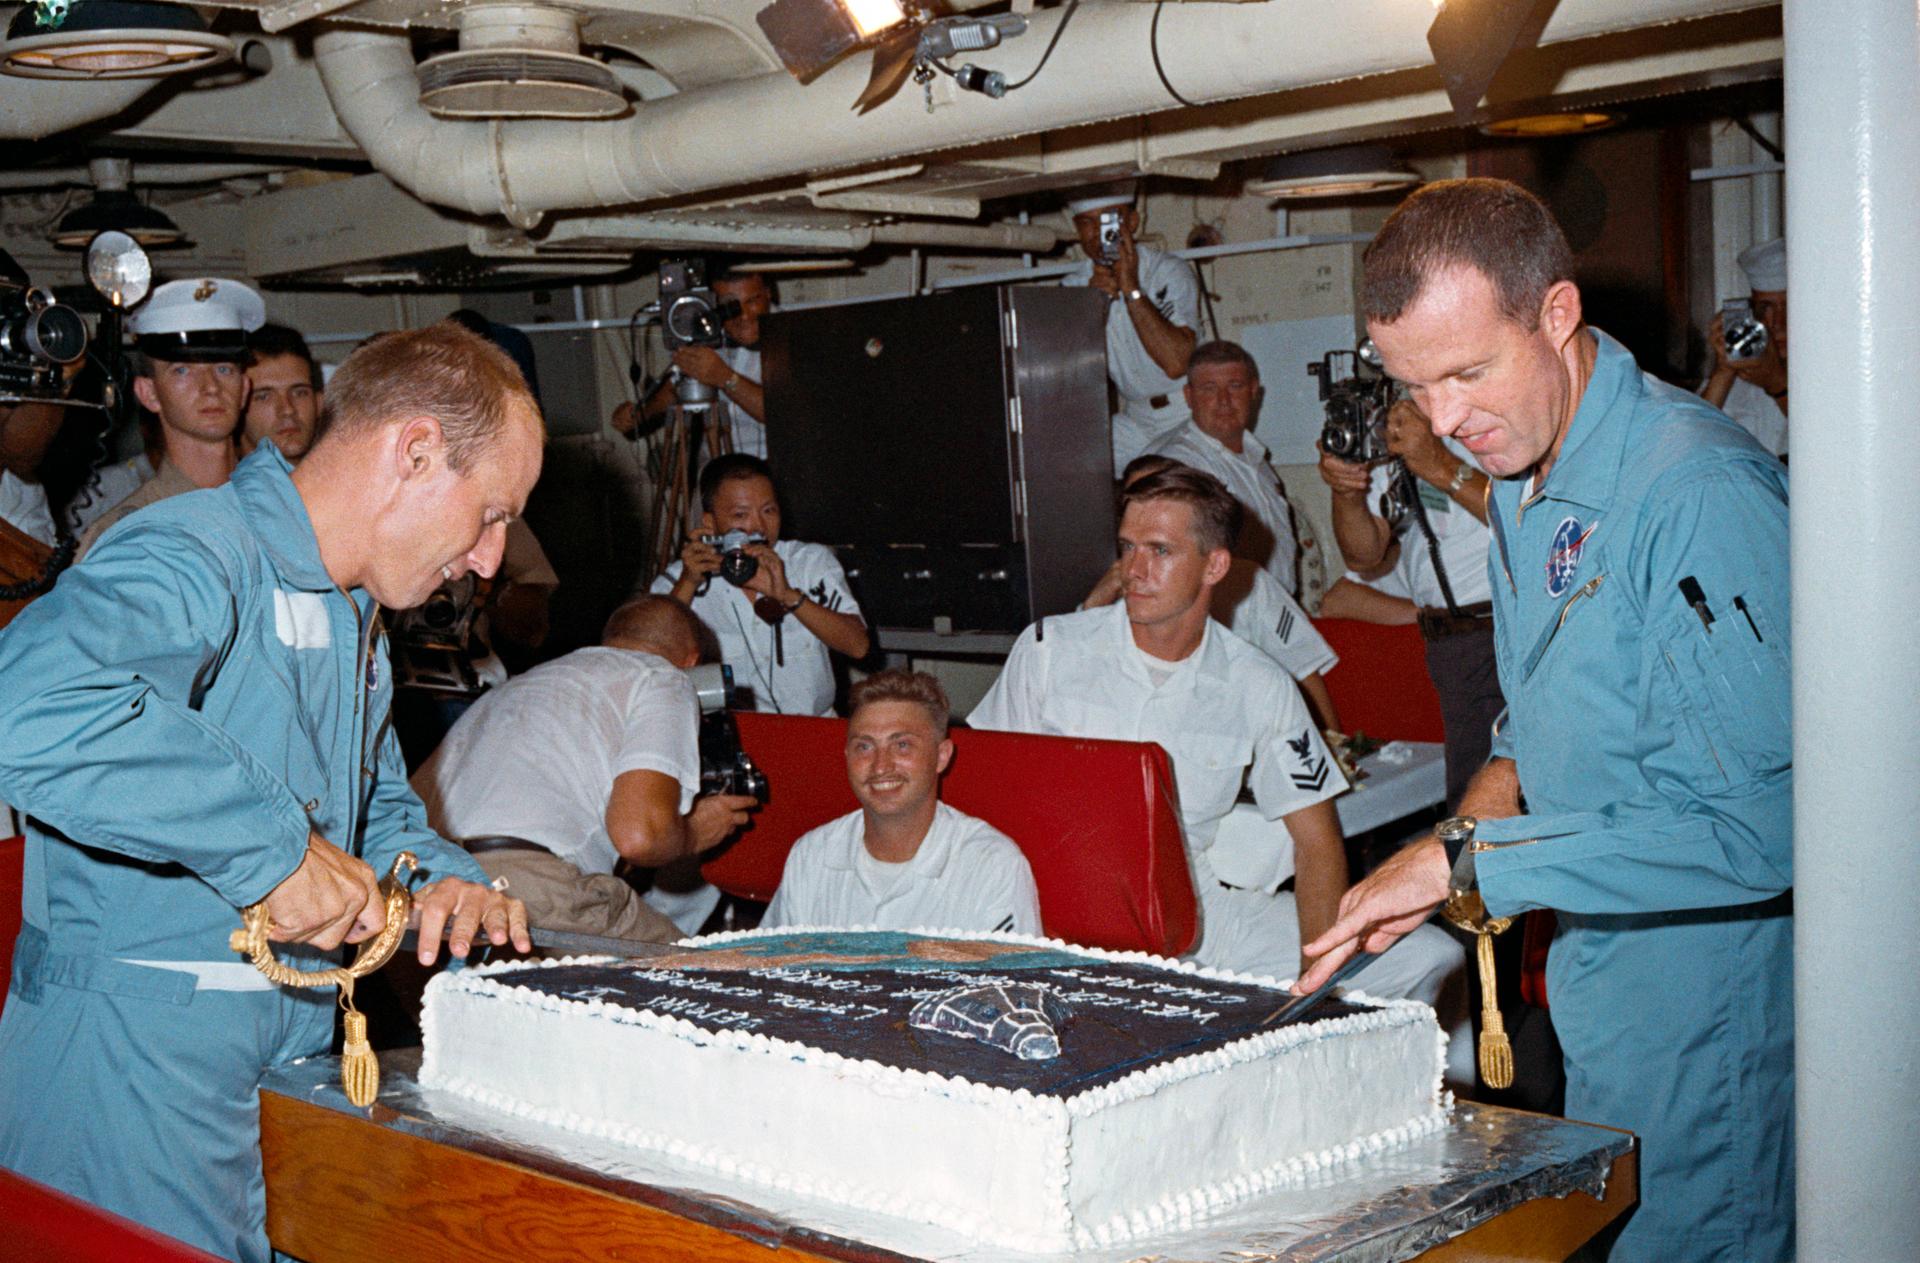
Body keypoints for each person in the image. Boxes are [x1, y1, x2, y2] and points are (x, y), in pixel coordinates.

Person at [1298, 178, 1792, 1262]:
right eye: (1414, 387)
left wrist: (1474, 871)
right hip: (1602, 978)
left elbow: (1776, 831)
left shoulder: (1694, 492)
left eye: (1470, 371)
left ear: (1557, 314)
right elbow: (1543, 707)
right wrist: (1467, 827)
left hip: (1711, 1003)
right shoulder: (1527, 477)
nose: (1444, 422)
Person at [0, 320, 539, 1261]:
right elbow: (29, 699)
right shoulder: (195, 550)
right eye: (491, 512)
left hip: (286, 1048)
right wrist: (272, 851)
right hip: (138, 1062)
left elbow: (366, 809)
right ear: (414, 451)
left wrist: (443, 878)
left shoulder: (354, 612)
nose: (491, 557)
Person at [969, 466, 1465, 1040]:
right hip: (1057, 909)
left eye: (1159, 550)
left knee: (1429, 955)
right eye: (1128, 548)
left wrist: (1317, 981)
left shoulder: (1257, 681)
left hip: (1198, 916)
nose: (1134, 570)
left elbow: (1317, 844)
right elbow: (982, 794)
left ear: (1215, 565)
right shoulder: (1052, 649)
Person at [413, 595, 759, 942]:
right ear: (693, 661)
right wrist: (696, 830)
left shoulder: (520, 685)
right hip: (526, 887)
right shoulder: (664, 677)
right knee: (702, 983)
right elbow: (640, 837)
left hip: (423, 889)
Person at [1318, 395, 1500, 811]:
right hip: (1451, 647)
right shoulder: (1402, 426)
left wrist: (1438, 465)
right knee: (1470, 799)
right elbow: (1363, 557)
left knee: (1487, 806)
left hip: (1503, 630)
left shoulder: (1499, 413)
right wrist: (1346, 493)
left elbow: (1531, 516)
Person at [763, 670, 1041, 934]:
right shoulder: (811, 855)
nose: (881, 766)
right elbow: (766, 971)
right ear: (846, 756)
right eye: (865, 746)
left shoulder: (991, 866)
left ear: (942, 756)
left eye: (902, 745)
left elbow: (1010, 984)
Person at [1084, 453, 1340, 732]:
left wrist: (1333, 746)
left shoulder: (1253, 584)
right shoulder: (1123, 588)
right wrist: (1099, 598)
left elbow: (1303, 668)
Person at [653, 453, 869, 716]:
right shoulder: (684, 575)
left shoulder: (809, 562)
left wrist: (789, 596)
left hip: (811, 726)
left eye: (768, 511)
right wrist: (688, 584)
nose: (758, 526)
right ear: (710, 523)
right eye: (740, 515)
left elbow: (858, 645)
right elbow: (648, 661)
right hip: (730, 735)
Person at [75, 277, 266, 557]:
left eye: (224, 369)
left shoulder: (284, 507)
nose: (211, 387)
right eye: (182, 371)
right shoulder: (127, 535)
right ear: (148, 393)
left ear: (245, 388)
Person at [1144, 340, 1308, 596]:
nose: (1224, 400)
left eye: (1235, 386)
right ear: (1189, 396)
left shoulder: (1256, 457)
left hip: (1275, 616)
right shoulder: (1178, 462)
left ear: (1254, 391)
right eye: (1209, 388)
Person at [1059, 183, 1200, 468]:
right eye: (1088, 222)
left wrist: (1131, 288)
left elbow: (1176, 363)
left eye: (1109, 219)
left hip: (1186, 410)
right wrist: (1092, 303)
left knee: (1161, 477)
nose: (1099, 233)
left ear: (1132, 222)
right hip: (1136, 417)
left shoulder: (1167, 271)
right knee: (1072, 466)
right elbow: (1065, 371)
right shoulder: (1072, 287)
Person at [628, 270, 773, 460]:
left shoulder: (794, 335)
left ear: (768, 294)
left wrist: (725, 378)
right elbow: (675, 389)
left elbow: (783, 414)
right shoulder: (710, 334)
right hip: (718, 469)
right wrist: (640, 415)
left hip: (773, 471)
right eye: (731, 306)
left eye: (752, 301)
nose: (743, 316)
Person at [1700, 236, 1789, 458]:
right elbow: (1689, 444)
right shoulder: (1741, 378)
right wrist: (1723, 371)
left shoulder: (1832, 377)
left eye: (1789, 306)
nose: (1778, 323)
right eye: (1766, 308)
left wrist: (1777, 383)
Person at [240, 321, 322, 460]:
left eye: (299, 393)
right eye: (264, 396)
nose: (288, 410)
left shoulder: (348, 478)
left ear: (319, 402)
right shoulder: (215, 480)